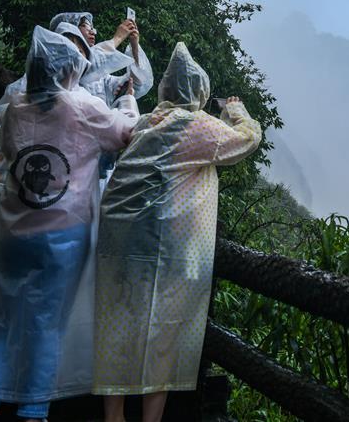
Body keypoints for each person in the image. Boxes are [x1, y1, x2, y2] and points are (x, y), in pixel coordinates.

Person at [0, 26, 139, 422]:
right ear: (69, 68)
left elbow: (8, 152)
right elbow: (126, 135)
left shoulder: (17, 107)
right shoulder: (84, 107)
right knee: (47, 321)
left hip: (12, 227)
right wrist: (127, 102)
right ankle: (33, 408)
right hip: (64, 235)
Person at [93, 43, 261, 422]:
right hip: (163, 247)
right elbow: (247, 139)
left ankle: (113, 415)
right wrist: (235, 109)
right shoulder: (196, 125)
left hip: (118, 239)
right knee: (164, 334)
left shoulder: (149, 120)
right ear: (198, 92)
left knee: (118, 327)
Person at [0, 12, 152, 296]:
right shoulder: (80, 97)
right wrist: (117, 43)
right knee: (47, 297)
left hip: (42, 194)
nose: (92, 34)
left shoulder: (24, 100)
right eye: (86, 29)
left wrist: (132, 45)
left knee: (9, 290)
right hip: (60, 202)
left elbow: (136, 80)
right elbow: (122, 124)